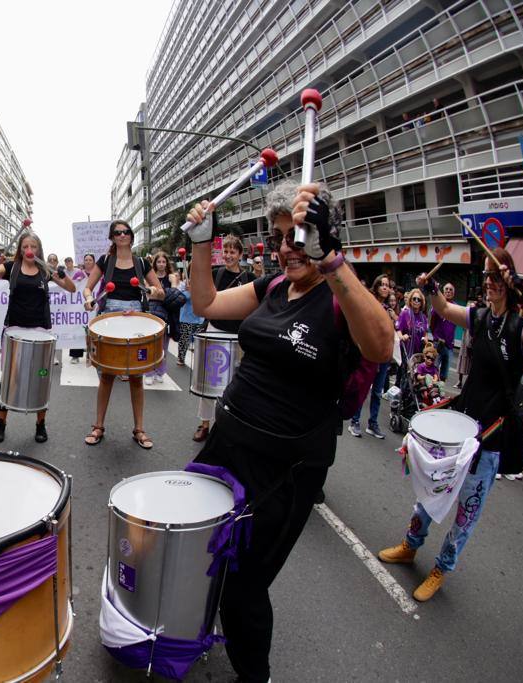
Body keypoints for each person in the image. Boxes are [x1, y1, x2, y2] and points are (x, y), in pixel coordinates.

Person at [184, 180, 393, 682]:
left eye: (297, 237)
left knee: (244, 586)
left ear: (323, 237)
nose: (285, 249)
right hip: (227, 445)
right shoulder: (273, 287)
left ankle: (255, 676)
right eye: (279, 238)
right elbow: (205, 302)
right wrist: (201, 242)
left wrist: (331, 260)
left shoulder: (340, 295)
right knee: (195, 546)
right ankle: (188, 634)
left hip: (284, 469)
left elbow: (382, 346)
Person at [378, 248, 523, 601]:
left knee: (467, 510)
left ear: (508, 283)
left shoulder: (519, 329)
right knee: (432, 490)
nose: (487, 282)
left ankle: (442, 567)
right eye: (485, 276)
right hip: (460, 427)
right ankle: (410, 545)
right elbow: (441, 308)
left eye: (495, 277)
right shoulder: (480, 317)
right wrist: (430, 286)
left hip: (491, 435)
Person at [0, 230, 75, 442]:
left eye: (33, 247)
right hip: (14, 329)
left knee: (41, 377)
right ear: (20, 250)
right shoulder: (11, 267)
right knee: (8, 378)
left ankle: (40, 424)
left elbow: (71, 288)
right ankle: (1, 423)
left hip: (41, 330)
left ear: (39, 249)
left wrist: (62, 274)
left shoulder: (45, 270)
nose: (29, 250)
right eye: (25, 247)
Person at [80, 220, 164, 449]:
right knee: (106, 376)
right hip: (109, 319)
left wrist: (154, 290)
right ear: (112, 237)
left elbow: (160, 292)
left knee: (136, 377)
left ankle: (139, 429)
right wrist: (88, 299)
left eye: (126, 231)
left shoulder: (141, 263)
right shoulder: (106, 261)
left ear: (131, 236)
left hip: (136, 318)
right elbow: (88, 287)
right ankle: (98, 426)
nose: (122, 235)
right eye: (117, 233)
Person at [192, 234, 255, 442]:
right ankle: (204, 424)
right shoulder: (215, 274)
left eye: (232, 252)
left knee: (235, 384)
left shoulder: (249, 279)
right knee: (209, 381)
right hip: (215, 329)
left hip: (238, 336)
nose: (228, 255)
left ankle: (227, 425)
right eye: (225, 251)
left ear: (240, 254)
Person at [348, 274, 395, 439]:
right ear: (376, 287)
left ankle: (372, 423)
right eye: (381, 284)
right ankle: (354, 421)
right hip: (369, 355)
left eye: (387, 285)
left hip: (383, 358)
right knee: (363, 388)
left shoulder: (390, 309)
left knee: (377, 392)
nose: (384, 287)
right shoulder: (370, 304)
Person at [145, 250, 180, 386]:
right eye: (159, 261)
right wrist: (165, 293)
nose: (161, 264)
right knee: (150, 344)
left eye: (164, 262)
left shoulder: (171, 277)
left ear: (167, 263)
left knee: (164, 345)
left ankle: (160, 371)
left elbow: (175, 296)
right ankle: (149, 372)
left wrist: (173, 284)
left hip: (167, 312)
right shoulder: (149, 277)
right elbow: (151, 296)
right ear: (155, 263)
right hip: (152, 311)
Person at [395, 287, 428, 387]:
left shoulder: (424, 317)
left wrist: (426, 339)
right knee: (406, 375)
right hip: (407, 351)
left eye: (419, 299)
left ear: (422, 302)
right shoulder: (405, 314)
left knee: (416, 376)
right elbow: (398, 329)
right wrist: (402, 336)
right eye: (414, 299)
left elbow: (425, 333)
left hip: (419, 353)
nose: (416, 301)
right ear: (410, 300)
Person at [69, 253, 96, 364]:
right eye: (86, 260)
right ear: (83, 261)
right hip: (79, 306)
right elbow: (71, 286)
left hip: (94, 306)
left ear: (94, 262)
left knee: (93, 331)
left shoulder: (98, 274)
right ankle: (75, 355)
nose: (88, 262)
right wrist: (78, 281)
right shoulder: (79, 273)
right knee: (78, 329)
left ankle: (92, 355)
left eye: (90, 260)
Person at [176, 269, 205, 366]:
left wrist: (195, 292)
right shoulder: (184, 284)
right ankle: (181, 358)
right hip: (186, 316)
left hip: (200, 317)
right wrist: (187, 292)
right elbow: (178, 298)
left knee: (199, 341)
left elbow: (206, 297)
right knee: (184, 339)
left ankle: (199, 361)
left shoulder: (204, 282)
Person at [429, 282, 457, 381]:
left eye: (451, 290)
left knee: (444, 373)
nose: (448, 291)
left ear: (453, 293)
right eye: (446, 289)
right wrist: (436, 337)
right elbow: (431, 324)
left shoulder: (456, 307)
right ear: (443, 292)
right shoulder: (438, 305)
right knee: (433, 370)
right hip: (438, 344)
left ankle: (440, 391)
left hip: (449, 346)